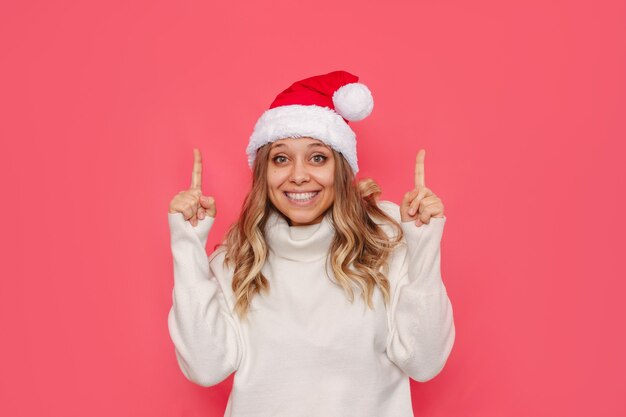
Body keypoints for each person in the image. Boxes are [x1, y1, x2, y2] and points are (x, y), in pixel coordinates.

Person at [166, 70, 455, 417]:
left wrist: (422, 245)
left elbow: (424, 362)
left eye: (317, 157)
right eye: (281, 158)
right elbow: (205, 367)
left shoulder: (385, 246)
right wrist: (188, 244)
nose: (299, 175)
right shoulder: (239, 259)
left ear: (341, 170)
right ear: (264, 173)